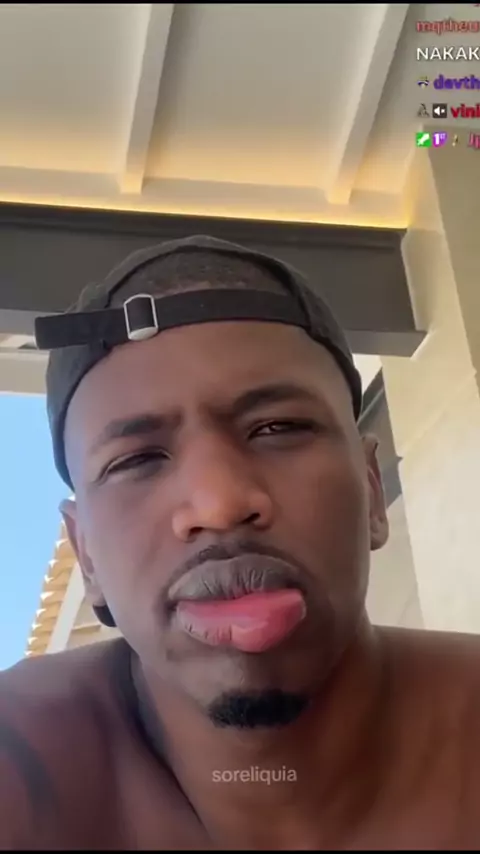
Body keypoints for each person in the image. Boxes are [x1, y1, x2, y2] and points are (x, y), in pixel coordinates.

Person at [1, 235, 480, 851]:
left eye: (278, 427)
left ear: (369, 490)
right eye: (136, 460)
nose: (220, 503)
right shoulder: (22, 763)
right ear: (86, 555)